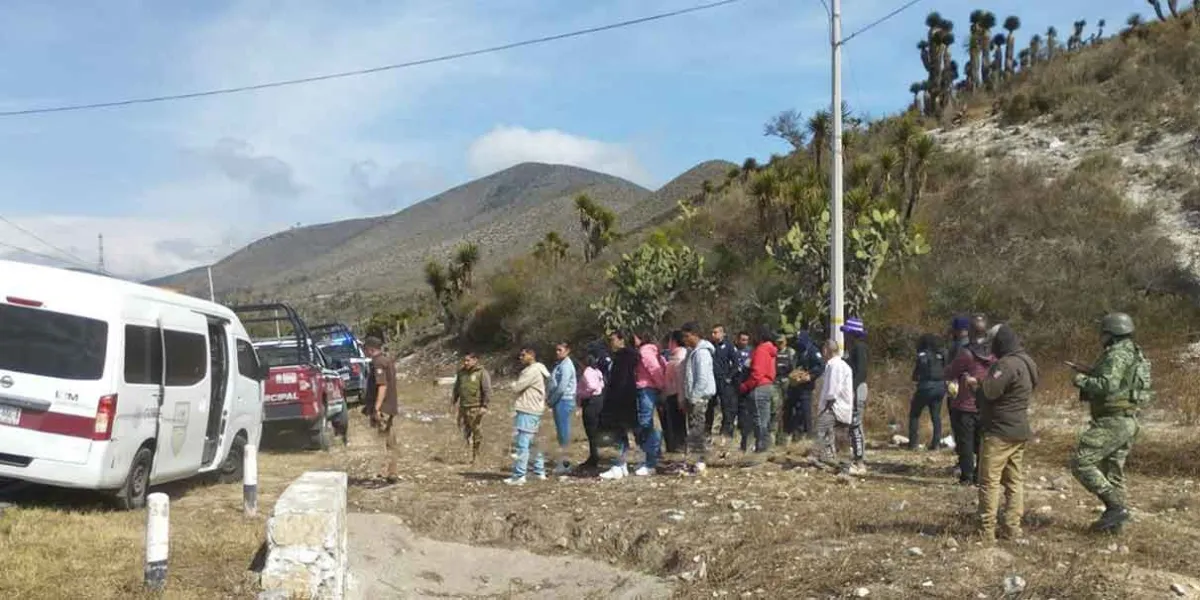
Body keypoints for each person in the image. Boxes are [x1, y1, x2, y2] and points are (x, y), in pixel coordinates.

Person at [1069, 312, 1153, 535]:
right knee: (1113, 472)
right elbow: (1123, 382)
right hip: (1127, 419)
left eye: (1103, 333)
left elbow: (1107, 385)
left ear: (1111, 333)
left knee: (1081, 461)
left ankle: (1115, 507)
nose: (1101, 337)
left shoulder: (1116, 354)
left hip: (1112, 420)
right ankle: (1114, 526)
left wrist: (1080, 380)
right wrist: (1091, 370)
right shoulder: (1135, 353)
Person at [977, 324, 1038, 542]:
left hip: (999, 430)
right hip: (1019, 428)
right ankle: (1012, 528)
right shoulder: (1028, 362)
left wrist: (979, 383)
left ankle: (986, 530)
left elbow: (991, 392)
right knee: (1014, 481)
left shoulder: (1005, 364)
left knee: (989, 481)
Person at [599, 331, 661, 479]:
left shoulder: (626, 356)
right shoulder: (626, 356)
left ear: (621, 340)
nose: (611, 343)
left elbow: (622, 381)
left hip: (622, 400)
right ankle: (620, 465)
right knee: (622, 433)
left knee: (639, 430)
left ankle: (643, 463)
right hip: (624, 399)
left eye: (613, 340)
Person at [944, 316, 994, 485]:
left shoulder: (966, 353)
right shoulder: (995, 354)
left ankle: (967, 476)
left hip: (965, 403)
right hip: (987, 403)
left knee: (965, 442)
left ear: (970, 332)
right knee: (982, 443)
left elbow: (950, 372)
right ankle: (981, 475)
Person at [505, 347, 550, 485]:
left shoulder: (532, 371)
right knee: (533, 442)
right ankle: (539, 471)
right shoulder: (541, 370)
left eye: (523, 355)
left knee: (522, 444)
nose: (521, 357)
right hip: (535, 409)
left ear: (531, 355)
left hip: (527, 409)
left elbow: (517, 387)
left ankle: (519, 475)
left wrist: (512, 384)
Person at [681, 322, 717, 475]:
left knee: (697, 429)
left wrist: (694, 397)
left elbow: (702, 379)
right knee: (694, 429)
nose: (685, 339)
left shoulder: (702, 353)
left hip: (699, 398)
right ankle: (696, 460)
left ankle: (700, 461)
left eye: (687, 336)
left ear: (695, 334)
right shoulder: (693, 352)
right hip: (694, 397)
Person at [364, 337, 399, 479]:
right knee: (389, 438)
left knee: (387, 439)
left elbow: (382, 385)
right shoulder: (386, 360)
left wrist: (377, 408)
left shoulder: (378, 363)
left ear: (371, 349)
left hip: (383, 407)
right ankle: (389, 470)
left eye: (365, 349)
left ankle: (391, 471)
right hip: (389, 406)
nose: (364, 352)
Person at [739, 328, 778, 454]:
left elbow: (757, 373)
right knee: (763, 419)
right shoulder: (770, 350)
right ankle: (761, 447)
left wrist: (745, 386)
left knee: (759, 421)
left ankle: (761, 449)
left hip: (759, 387)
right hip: (768, 386)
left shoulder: (761, 350)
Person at [815, 339, 854, 465]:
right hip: (842, 407)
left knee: (823, 431)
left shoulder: (834, 365)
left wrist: (826, 408)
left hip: (834, 407)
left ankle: (829, 460)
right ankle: (842, 462)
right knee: (840, 437)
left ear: (826, 350)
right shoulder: (842, 365)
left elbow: (833, 390)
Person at [451, 352, 492, 464]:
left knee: (477, 431)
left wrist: (484, 406)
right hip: (463, 406)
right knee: (465, 430)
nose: (466, 363)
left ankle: (476, 455)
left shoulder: (481, 373)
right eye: (464, 360)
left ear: (475, 360)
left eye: (468, 360)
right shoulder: (461, 373)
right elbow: (456, 388)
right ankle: (467, 453)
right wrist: (453, 402)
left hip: (475, 407)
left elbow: (487, 390)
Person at [908, 334, 947, 451]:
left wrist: (917, 378)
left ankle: (913, 443)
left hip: (926, 387)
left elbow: (915, 375)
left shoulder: (922, 355)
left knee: (914, 414)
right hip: (940, 387)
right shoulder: (942, 354)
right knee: (936, 416)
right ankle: (936, 444)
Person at [841, 317, 869, 475]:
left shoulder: (859, 348)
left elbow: (861, 371)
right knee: (853, 425)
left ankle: (860, 461)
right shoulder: (853, 348)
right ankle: (856, 458)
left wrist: (851, 388)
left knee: (856, 424)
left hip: (857, 389)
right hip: (854, 388)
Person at [786, 328, 825, 440]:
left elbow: (820, 366)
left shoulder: (812, 350)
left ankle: (809, 434)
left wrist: (810, 376)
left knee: (805, 409)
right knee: (796, 410)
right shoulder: (799, 350)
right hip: (796, 385)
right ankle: (797, 433)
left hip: (806, 386)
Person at [547, 342, 578, 476]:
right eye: (556, 350)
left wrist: (552, 400)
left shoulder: (566, 366)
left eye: (560, 350)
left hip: (563, 401)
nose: (557, 352)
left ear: (567, 350)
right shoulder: (560, 364)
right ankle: (563, 461)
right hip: (559, 401)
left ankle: (566, 464)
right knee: (560, 433)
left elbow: (562, 387)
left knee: (563, 433)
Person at [708, 325, 739, 444]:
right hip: (711, 381)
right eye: (712, 332)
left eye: (715, 332)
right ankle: (707, 434)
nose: (713, 335)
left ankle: (725, 434)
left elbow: (736, 364)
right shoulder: (710, 347)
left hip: (724, 382)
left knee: (727, 408)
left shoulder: (729, 346)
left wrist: (729, 377)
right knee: (709, 408)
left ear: (722, 333)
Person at [659, 330, 689, 455]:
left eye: (670, 341)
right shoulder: (675, 356)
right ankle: (677, 446)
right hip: (673, 394)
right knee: (676, 423)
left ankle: (680, 446)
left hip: (676, 395)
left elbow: (680, 380)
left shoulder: (679, 357)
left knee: (678, 423)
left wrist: (681, 398)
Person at [577, 351, 607, 470]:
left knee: (591, 430)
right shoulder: (597, 371)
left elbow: (592, 386)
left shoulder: (587, 372)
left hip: (591, 402)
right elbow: (602, 384)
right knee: (595, 430)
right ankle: (594, 455)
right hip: (599, 400)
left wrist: (582, 393)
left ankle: (594, 457)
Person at [772, 332, 797, 446]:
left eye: (781, 342)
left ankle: (787, 435)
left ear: (785, 342)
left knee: (788, 409)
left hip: (787, 381)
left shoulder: (790, 352)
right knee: (776, 409)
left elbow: (794, 367)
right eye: (778, 342)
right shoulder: (774, 352)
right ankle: (776, 436)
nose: (780, 344)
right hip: (776, 381)